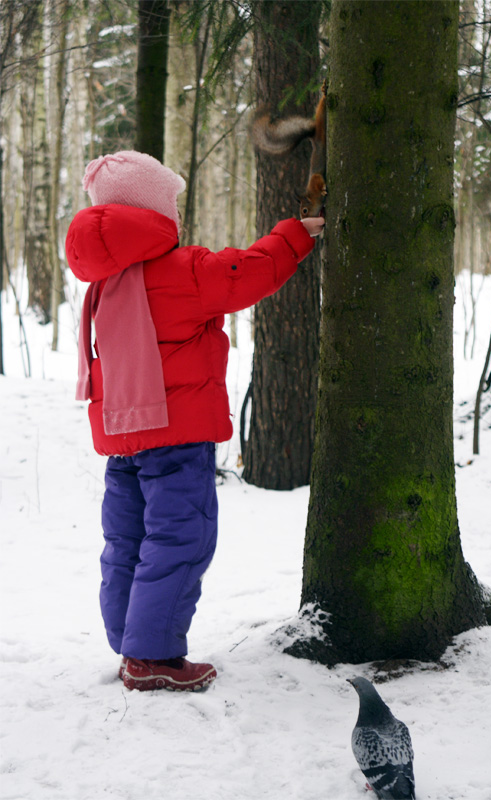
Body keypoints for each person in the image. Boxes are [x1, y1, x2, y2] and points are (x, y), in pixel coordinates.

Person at [66, 151, 324, 692]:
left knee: (127, 541)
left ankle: (130, 639)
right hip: (176, 439)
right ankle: (152, 655)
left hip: (122, 441)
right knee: (182, 539)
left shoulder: (103, 285)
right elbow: (247, 273)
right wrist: (295, 235)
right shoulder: (182, 272)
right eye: (172, 202)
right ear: (152, 213)